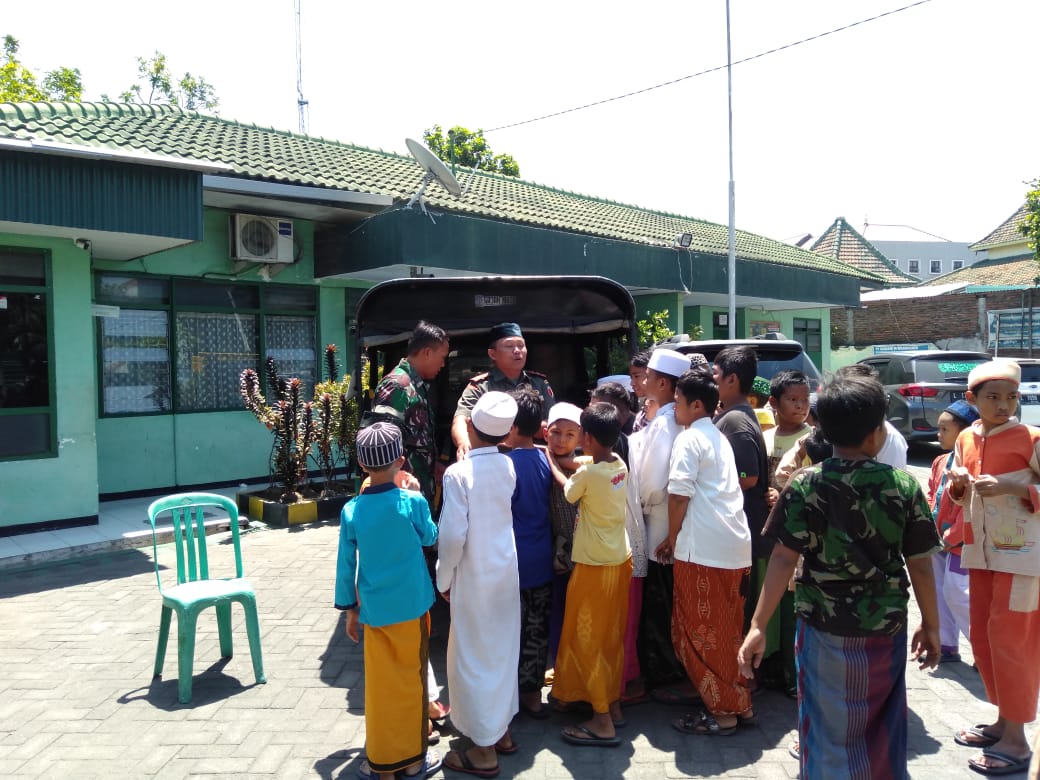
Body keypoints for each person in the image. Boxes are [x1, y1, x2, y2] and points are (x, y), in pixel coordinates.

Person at [738, 373, 941, 780]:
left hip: (822, 625)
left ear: (822, 428)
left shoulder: (807, 484)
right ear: (876, 434)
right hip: (885, 625)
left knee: (826, 719)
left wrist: (758, 624)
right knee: (882, 718)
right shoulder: (902, 485)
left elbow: (782, 558)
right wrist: (932, 626)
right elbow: (920, 561)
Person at [334, 423, 442, 780]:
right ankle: (412, 760)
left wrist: (350, 609)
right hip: (413, 607)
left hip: (375, 612)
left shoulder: (352, 511)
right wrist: (414, 491)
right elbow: (430, 536)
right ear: (401, 460)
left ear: (363, 466)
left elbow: (345, 565)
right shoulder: (412, 501)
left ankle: (382, 762)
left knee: (381, 686)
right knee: (412, 681)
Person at [948, 360, 1040, 776]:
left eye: (1011, 397)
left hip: (1025, 561)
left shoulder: (1032, 437)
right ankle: (1004, 721)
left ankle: (1017, 741)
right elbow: (955, 486)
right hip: (980, 551)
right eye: (993, 398)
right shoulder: (966, 437)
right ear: (972, 400)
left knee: (1012, 642)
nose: (1004, 405)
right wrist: (957, 485)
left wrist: (1012, 486)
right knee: (985, 637)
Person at [369, 320, 452, 727]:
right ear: (424, 352)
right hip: (403, 503)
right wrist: (400, 476)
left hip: (417, 492)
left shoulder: (416, 384)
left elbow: (415, 437)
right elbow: (379, 434)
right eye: (441, 355)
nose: (443, 363)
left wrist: (432, 462)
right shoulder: (397, 386)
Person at [667, 365, 755, 736]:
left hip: (703, 551)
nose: (674, 409)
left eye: (677, 402)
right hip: (734, 547)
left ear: (696, 404)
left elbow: (678, 495)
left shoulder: (689, 439)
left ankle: (724, 712)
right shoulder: (717, 436)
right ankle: (739, 702)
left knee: (696, 635)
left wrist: (673, 540)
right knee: (728, 632)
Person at [437, 391, 521, 775]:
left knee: (472, 657)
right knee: (501, 651)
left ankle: (483, 750)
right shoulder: (507, 466)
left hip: (473, 574)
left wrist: (443, 576)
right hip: (504, 570)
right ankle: (500, 731)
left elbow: (453, 536)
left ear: (469, 426)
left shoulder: (459, 473)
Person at [548, 402, 632, 747]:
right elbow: (584, 464)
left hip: (594, 567)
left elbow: (568, 488)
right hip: (619, 562)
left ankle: (600, 721)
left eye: (578, 433)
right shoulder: (617, 465)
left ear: (588, 437)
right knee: (609, 637)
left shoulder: (586, 475)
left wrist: (551, 461)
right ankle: (612, 706)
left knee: (587, 640)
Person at [631, 348, 691, 702]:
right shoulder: (672, 417)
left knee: (662, 599)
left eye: (649, 376)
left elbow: (653, 482)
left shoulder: (666, 422)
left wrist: (638, 499)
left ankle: (664, 672)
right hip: (668, 518)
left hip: (659, 520)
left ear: (664, 384)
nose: (644, 381)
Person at [759, 369, 812, 696]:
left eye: (805, 400)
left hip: (799, 531)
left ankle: (793, 675)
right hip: (767, 530)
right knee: (769, 599)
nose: (800, 406)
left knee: (793, 601)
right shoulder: (764, 437)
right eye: (793, 400)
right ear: (774, 403)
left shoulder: (813, 438)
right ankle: (768, 662)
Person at [504, 387, 554, 719]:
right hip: (543, 560)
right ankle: (533, 694)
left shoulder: (503, 465)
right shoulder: (543, 457)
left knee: (511, 631)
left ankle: (508, 696)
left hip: (513, 564)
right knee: (537, 630)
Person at [712, 346, 769, 633]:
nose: (713, 381)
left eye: (716, 375)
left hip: (742, 535)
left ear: (732, 380)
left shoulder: (735, 420)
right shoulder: (731, 414)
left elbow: (748, 477)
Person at [452, 322, 554, 461]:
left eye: (521, 345)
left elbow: (554, 424)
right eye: (509, 346)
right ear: (492, 354)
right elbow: (461, 420)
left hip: (533, 459)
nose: (517, 350)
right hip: (493, 460)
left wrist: (502, 430)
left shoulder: (539, 383)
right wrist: (463, 443)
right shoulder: (481, 386)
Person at [927, 399, 978, 665]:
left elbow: (970, 509)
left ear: (966, 432)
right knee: (938, 591)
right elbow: (931, 495)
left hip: (962, 543)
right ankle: (947, 644)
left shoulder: (974, 464)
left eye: (945, 430)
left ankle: (984, 649)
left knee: (957, 592)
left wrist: (952, 537)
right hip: (938, 540)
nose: (939, 435)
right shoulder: (938, 461)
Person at [544, 402, 584, 684]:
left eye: (570, 435)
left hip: (583, 552)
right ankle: (558, 662)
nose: (562, 440)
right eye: (556, 433)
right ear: (546, 432)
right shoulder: (539, 460)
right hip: (555, 551)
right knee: (557, 607)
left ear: (581, 438)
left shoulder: (586, 464)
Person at [629, 349, 655, 432]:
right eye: (631, 377)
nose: (632, 383)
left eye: (636, 376)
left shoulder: (667, 414)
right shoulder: (642, 412)